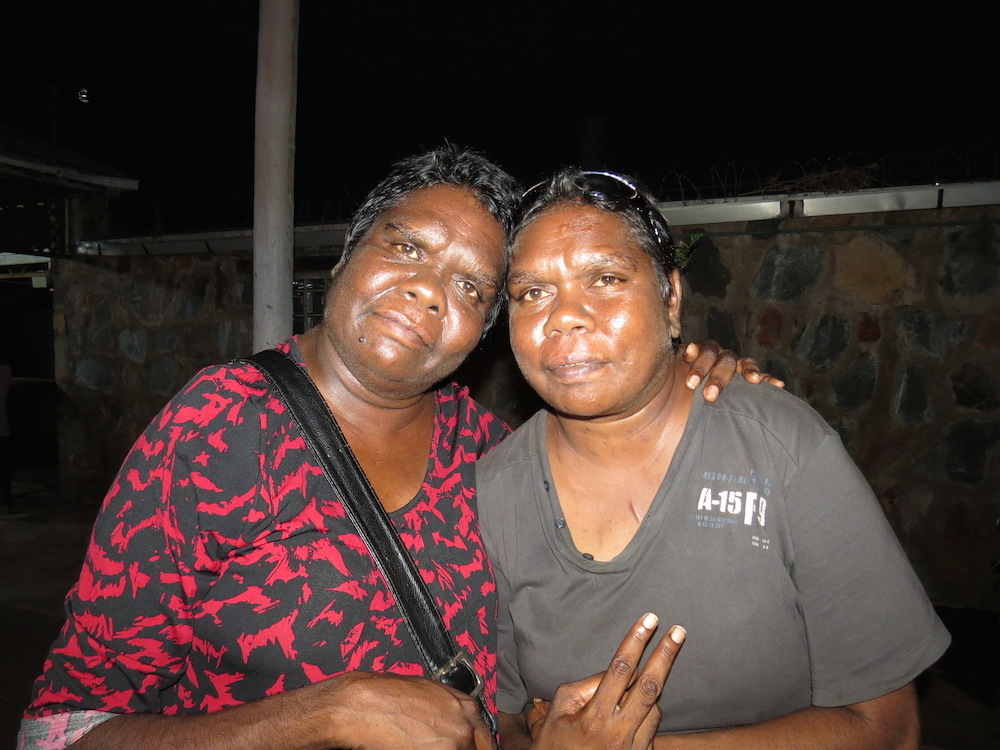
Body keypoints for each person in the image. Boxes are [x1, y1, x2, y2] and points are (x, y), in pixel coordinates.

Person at [18, 147, 759, 750]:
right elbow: (60, 730)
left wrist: (691, 379)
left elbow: (524, 686)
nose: (429, 291)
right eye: (406, 247)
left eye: (470, 289)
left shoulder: (493, 455)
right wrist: (325, 714)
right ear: (348, 250)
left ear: (486, 331)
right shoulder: (219, 428)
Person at [477, 168, 952, 749]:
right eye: (532, 293)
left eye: (605, 278)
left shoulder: (780, 447)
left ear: (671, 298)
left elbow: (888, 728)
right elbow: (501, 721)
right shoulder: (494, 493)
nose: (564, 315)